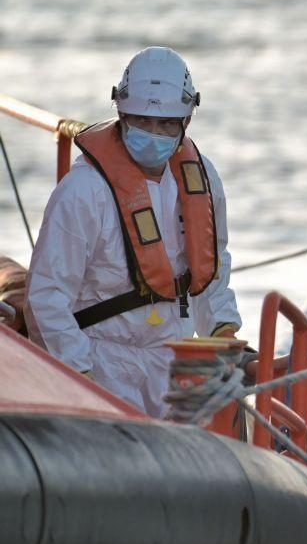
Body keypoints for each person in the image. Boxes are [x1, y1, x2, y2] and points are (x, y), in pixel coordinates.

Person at [25, 47, 240, 417]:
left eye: (167, 124)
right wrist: (79, 373)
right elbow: (46, 295)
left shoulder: (201, 180)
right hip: (101, 360)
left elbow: (213, 271)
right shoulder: (82, 193)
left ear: (185, 123)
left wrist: (222, 333)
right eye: (142, 121)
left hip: (173, 361)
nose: (154, 134)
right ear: (122, 116)